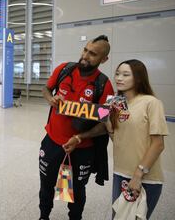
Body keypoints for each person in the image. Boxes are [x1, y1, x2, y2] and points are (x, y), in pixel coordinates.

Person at [63, 59, 168, 219]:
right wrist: (104, 122)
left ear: (138, 78)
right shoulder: (115, 102)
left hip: (145, 176)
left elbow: (158, 144)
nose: (119, 78)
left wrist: (138, 175)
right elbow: (116, 138)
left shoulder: (151, 103)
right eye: (117, 74)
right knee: (118, 216)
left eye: (126, 75)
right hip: (121, 172)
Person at [39, 35, 114, 220]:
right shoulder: (64, 69)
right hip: (52, 143)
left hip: (80, 150)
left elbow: (105, 125)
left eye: (93, 54)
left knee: (75, 191)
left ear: (103, 59)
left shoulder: (104, 85)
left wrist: (79, 137)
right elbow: (46, 89)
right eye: (85, 50)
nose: (85, 56)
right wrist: (51, 99)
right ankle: (43, 216)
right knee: (46, 184)